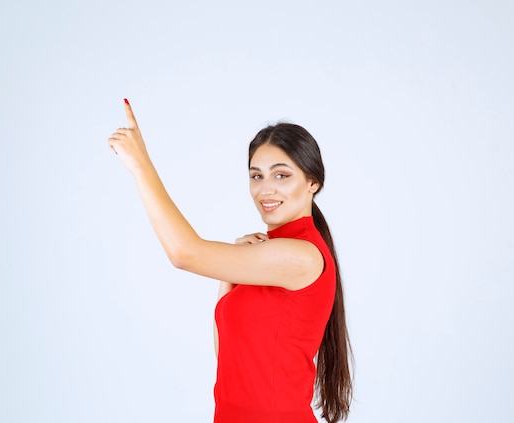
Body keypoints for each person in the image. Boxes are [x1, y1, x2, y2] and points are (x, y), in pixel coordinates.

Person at [108, 99, 352, 423]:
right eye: (256, 175)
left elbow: (184, 253)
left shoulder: (303, 255)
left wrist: (140, 165)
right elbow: (228, 354)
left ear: (312, 183)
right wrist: (231, 275)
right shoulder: (266, 256)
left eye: (281, 175)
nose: (266, 189)